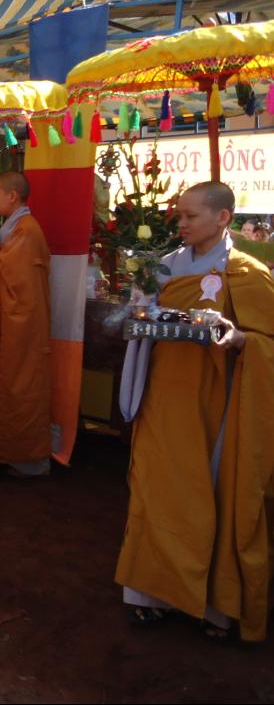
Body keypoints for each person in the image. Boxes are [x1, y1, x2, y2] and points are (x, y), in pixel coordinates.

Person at [116, 181, 274, 642]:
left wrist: (242, 339)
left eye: (191, 216)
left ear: (222, 217)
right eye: (178, 216)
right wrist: (140, 309)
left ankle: (214, 603)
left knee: (213, 493)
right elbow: (143, 321)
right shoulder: (163, 268)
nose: (180, 224)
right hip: (165, 397)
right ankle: (150, 594)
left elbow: (267, 343)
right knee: (156, 488)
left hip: (217, 405)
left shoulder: (247, 272)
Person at [0, 172, 52, 477]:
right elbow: (3, 262)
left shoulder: (28, 230)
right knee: (2, 380)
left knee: (18, 383)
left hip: (22, 323)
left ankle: (25, 457)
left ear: (12, 196)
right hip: (7, 319)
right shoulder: (17, 226)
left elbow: (14, 275)